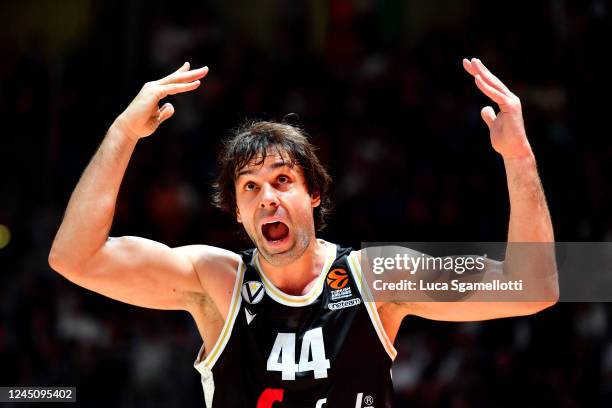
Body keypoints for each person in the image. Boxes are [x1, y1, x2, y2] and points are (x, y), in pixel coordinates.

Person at [49, 58, 559, 407]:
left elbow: (534, 286)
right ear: (239, 215)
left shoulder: (378, 278)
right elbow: (75, 257)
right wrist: (121, 133)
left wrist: (518, 157)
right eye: (249, 188)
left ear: (314, 193)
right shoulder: (215, 281)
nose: (266, 196)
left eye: (282, 180)